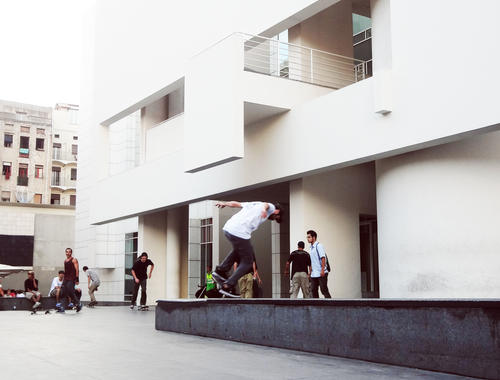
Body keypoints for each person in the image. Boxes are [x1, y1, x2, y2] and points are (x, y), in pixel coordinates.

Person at [212, 201, 282, 297]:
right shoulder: (272, 207)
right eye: (275, 218)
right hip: (240, 232)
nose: (273, 219)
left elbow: (236, 204)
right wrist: (264, 210)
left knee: (237, 250)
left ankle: (220, 270)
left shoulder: (253, 204)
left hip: (228, 228)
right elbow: (266, 205)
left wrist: (225, 203)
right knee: (248, 262)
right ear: (277, 212)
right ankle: (227, 285)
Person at [307, 230, 331, 298]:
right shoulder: (311, 248)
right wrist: (310, 272)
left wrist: (322, 270)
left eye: (309, 237)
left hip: (321, 272)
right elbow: (311, 261)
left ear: (313, 237)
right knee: (313, 290)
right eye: (307, 237)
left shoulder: (319, 246)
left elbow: (323, 258)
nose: (307, 239)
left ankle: (330, 306)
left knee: (324, 290)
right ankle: (316, 306)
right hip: (314, 274)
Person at [59, 247, 82, 312]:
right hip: (66, 278)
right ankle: (62, 307)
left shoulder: (74, 260)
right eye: (67, 252)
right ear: (65, 253)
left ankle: (78, 303)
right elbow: (66, 270)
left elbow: (77, 270)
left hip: (72, 278)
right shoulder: (65, 261)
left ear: (71, 253)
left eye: (69, 252)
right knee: (63, 292)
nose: (68, 253)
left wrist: (77, 279)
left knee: (70, 291)